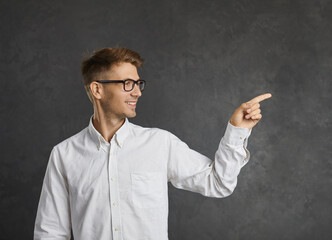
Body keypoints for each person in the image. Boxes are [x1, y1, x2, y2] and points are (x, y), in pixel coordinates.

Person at [34, 47, 271, 240]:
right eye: (127, 83)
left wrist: (237, 130)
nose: (137, 92)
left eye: (138, 84)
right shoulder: (64, 155)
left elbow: (219, 183)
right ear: (97, 89)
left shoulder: (160, 143)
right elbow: (50, 232)